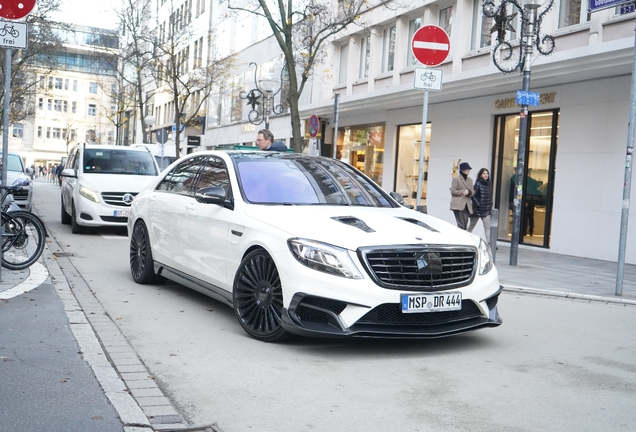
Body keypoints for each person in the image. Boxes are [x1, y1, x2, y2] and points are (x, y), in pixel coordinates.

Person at [468, 168, 493, 237]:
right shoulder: (477, 184)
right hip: (477, 210)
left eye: (487, 173)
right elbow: (472, 195)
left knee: (488, 227)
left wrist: (490, 205)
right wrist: (478, 204)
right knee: (471, 226)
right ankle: (465, 239)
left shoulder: (489, 184)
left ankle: (489, 244)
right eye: (484, 173)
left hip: (486, 210)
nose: (486, 175)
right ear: (480, 175)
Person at [449, 162, 474, 230]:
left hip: (467, 205)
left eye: (469, 169)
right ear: (463, 170)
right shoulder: (456, 179)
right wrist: (462, 192)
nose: (468, 171)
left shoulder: (470, 180)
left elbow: (472, 191)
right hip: (458, 204)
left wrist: (468, 192)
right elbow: (453, 191)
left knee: (465, 224)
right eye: (467, 169)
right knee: (461, 225)